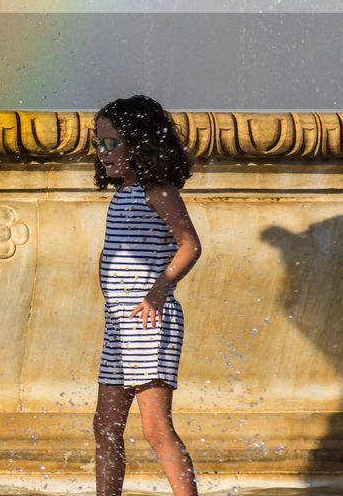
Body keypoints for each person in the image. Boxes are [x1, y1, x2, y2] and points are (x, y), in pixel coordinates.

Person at [91, 94, 202, 496]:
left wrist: (158, 292)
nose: (103, 153)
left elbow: (189, 245)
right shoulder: (121, 195)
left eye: (111, 142)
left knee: (155, 429)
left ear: (138, 142)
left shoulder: (158, 190)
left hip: (149, 320)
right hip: (120, 323)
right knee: (104, 426)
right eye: (98, 143)